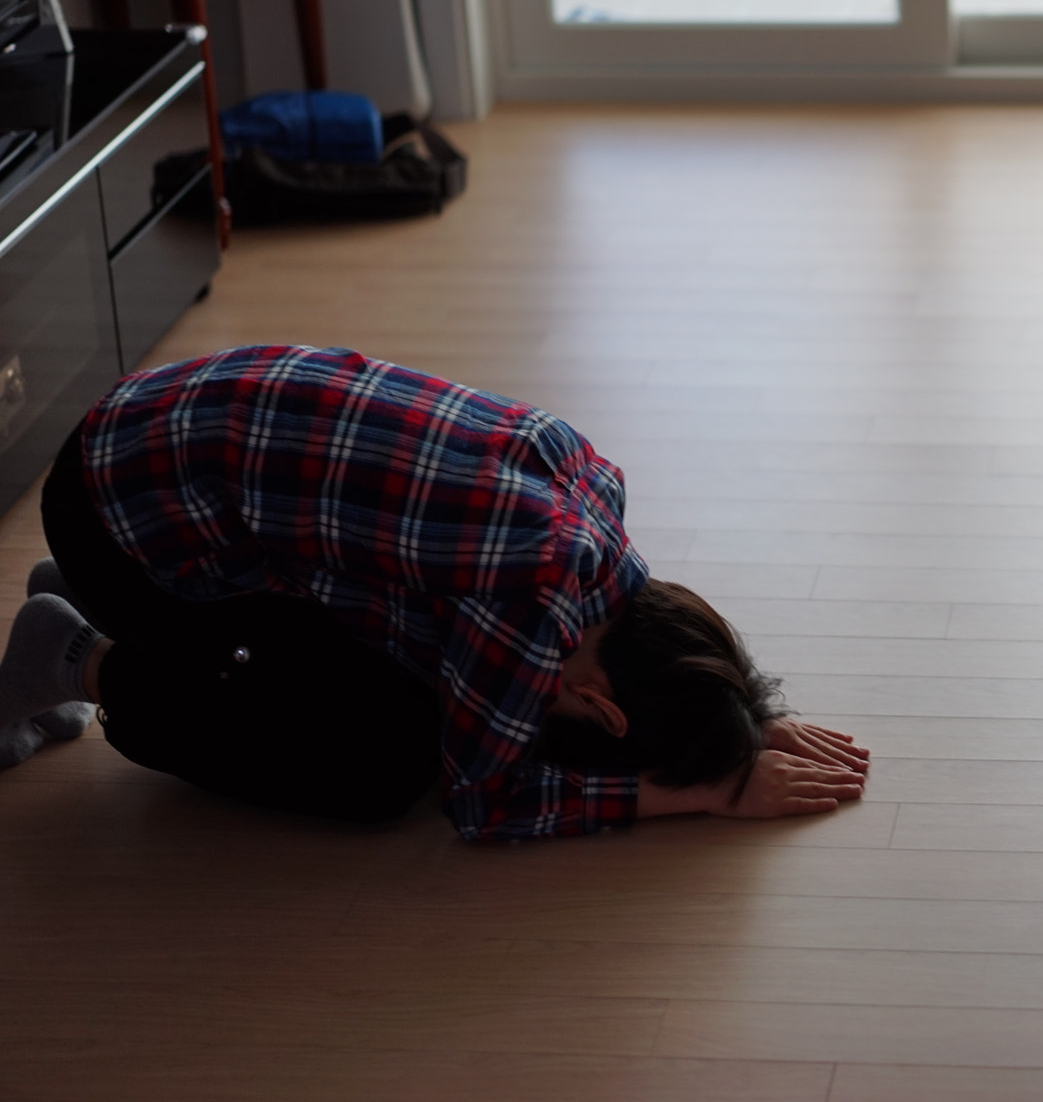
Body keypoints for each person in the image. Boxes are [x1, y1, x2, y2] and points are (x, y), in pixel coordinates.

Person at [0, 344, 868, 838]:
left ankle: (98, 597)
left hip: (140, 430)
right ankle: (77, 652)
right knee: (376, 771)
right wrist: (697, 790)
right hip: (115, 514)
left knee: (407, 693)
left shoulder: (594, 499)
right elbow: (483, 801)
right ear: (603, 710)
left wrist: (740, 710)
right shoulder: (534, 603)